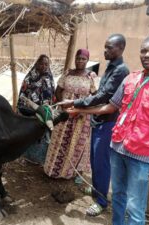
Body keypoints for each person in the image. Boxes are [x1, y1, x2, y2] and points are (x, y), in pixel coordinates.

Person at [65, 36, 149, 225]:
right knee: (119, 197)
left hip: (142, 155)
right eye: (143, 50)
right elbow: (111, 106)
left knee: (135, 207)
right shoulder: (131, 78)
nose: (147, 55)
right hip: (117, 148)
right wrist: (78, 108)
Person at [59, 34, 129, 216]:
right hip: (98, 120)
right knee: (94, 160)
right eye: (105, 46)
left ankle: (101, 201)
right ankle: (98, 189)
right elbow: (100, 93)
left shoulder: (121, 70)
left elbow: (102, 96)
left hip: (107, 123)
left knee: (102, 163)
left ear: (120, 49)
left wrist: (76, 104)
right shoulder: (111, 67)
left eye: (109, 47)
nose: (105, 50)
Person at [43, 49, 99, 179]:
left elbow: (96, 96)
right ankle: (53, 171)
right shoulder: (68, 73)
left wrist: (82, 109)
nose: (80, 61)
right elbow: (58, 91)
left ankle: (69, 173)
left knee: (75, 144)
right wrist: (63, 105)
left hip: (81, 116)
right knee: (59, 141)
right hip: (65, 113)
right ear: (75, 59)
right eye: (78, 58)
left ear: (87, 60)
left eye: (83, 59)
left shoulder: (91, 76)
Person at [17, 54, 55, 165]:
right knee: (27, 135)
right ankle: (25, 157)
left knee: (41, 136)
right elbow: (23, 94)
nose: (43, 66)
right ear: (37, 64)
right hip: (29, 112)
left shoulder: (49, 77)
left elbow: (52, 94)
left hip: (44, 113)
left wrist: (47, 109)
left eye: (46, 64)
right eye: (41, 63)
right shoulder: (30, 77)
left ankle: (38, 159)